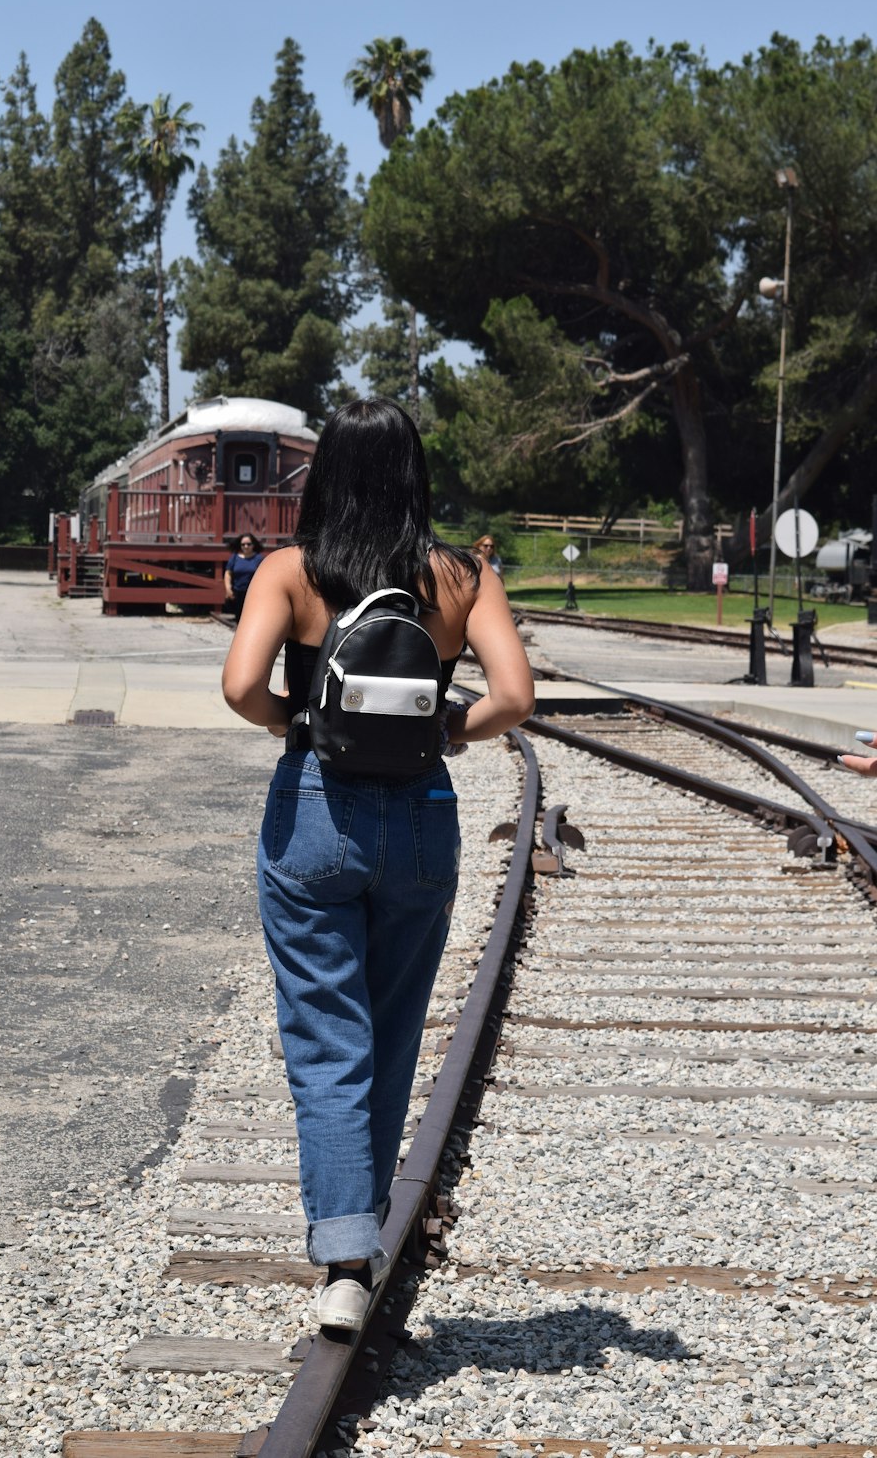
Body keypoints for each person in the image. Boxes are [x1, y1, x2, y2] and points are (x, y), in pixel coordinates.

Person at [222, 398, 535, 1333]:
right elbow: (515, 697)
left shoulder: (290, 570)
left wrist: (301, 722)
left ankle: (345, 1259)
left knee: (327, 1036)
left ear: (328, 473)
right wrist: (446, 729)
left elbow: (241, 687)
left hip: (314, 810)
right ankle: (359, 1243)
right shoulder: (461, 578)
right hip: (423, 816)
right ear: (413, 474)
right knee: (392, 1032)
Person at [223, 533, 265, 621]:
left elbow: (263, 576)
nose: (246, 546)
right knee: (238, 617)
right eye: (243, 544)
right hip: (237, 592)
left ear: (253, 545)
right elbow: (228, 573)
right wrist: (228, 588)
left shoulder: (258, 558)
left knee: (250, 617)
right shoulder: (235, 557)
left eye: (248, 544)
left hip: (252, 593)